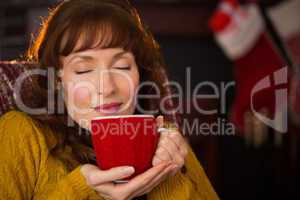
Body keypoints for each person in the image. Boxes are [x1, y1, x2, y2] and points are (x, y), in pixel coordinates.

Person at [0, 0, 219, 199]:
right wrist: (80, 188)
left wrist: (166, 176)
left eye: (122, 67)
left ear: (139, 75)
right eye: (84, 70)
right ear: (57, 80)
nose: (107, 88)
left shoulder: (165, 139)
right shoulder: (23, 133)